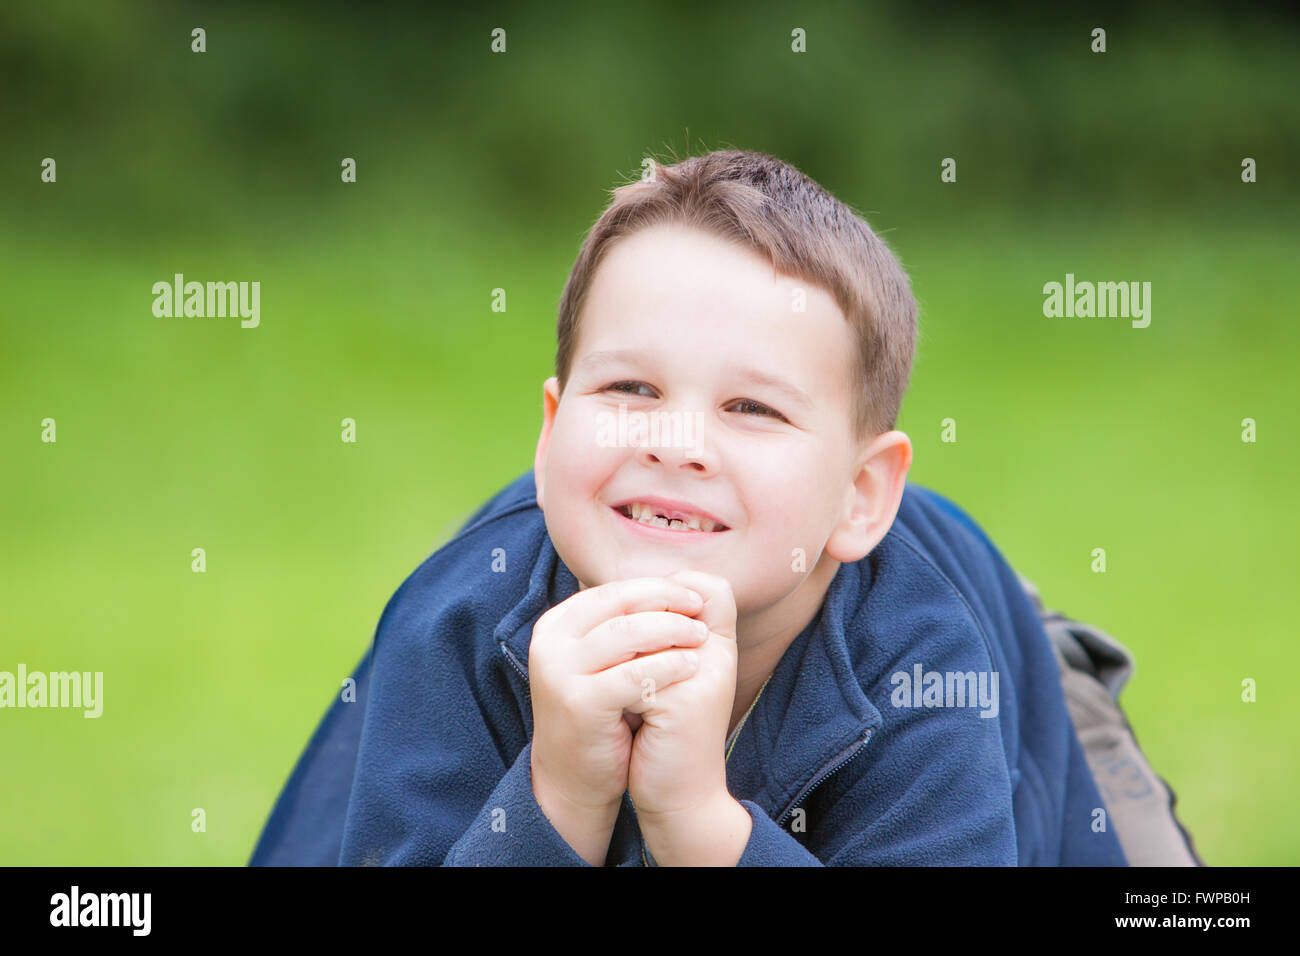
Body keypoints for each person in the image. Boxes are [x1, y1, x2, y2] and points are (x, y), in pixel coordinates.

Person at [249, 149, 1195, 866]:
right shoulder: (453, 623)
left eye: (751, 408)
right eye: (627, 389)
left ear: (859, 496)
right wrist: (557, 804)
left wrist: (701, 826)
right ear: (550, 430)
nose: (675, 441)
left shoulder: (929, 665)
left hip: (1010, 665)